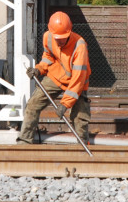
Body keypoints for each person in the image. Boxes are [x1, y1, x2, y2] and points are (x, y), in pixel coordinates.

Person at [17, 11, 91, 145]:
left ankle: (82, 145)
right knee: (33, 104)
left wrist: (65, 104)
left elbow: (78, 79)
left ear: (70, 32)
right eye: (57, 38)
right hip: (56, 76)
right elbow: (48, 57)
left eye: (63, 38)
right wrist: (39, 69)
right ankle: (24, 141)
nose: (60, 41)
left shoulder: (79, 46)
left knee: (80, 116)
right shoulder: (48, 37)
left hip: (76, 82)